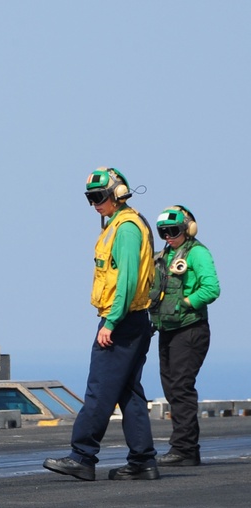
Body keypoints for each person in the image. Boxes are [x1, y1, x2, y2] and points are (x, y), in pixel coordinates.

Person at [44, 167, 159, 481]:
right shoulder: (120, 225)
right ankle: (143, 461)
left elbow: (127, 281)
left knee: (98, 391)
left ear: (117, 194)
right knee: (129, 394)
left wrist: (110, 322)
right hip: (133, 322)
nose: (94, 203)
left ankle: (82, 456)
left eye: (99, 197)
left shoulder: (125, 228)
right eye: (89, 198)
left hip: (121, 322)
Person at [149, 205, 220, 466]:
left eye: (174, 230)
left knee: (180, 388)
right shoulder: (165, 255)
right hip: (168, 329)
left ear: (188, 229)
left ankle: (185, 449)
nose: (168, 236)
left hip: (190, 329)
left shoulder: (198, 253)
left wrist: (185, 304)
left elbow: (212, 288)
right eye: (163, 232)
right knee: (171, 388)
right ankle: (186, 449)